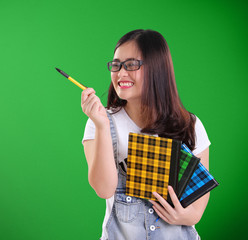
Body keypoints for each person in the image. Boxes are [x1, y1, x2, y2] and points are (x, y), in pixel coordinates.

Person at [81, 29, 210, 240]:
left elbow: (197, 210)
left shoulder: (190, 125)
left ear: (157, 69)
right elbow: (104, 189)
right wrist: (102, 126)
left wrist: (181, 216)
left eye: (131, 65)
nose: (121, 73)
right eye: (116, 65)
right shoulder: (99, 122)